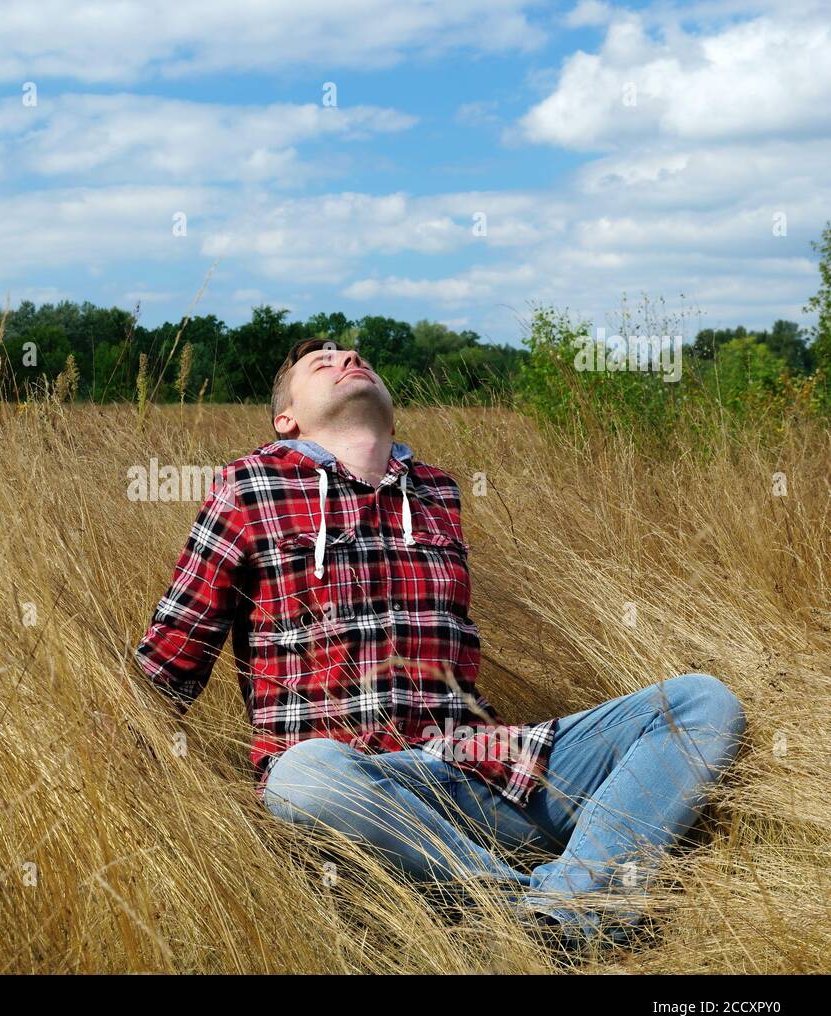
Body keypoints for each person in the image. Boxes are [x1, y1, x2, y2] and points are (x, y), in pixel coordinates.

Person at [133, 336, 746, 955]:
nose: (347, 360)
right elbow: (172, 659)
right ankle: (534, 911)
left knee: (700, 703)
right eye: (322, 364)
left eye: (355, 357)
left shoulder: (436, 493)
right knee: (299, 777)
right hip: (362, 795)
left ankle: (567, 902)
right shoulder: (249, 487)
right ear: (285, 419)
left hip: (486, 770)